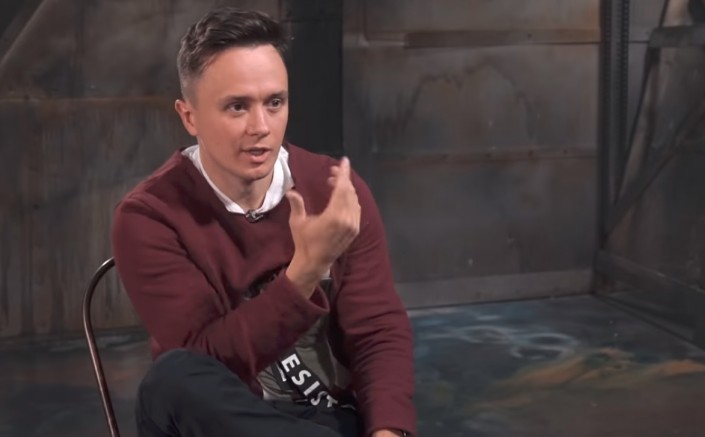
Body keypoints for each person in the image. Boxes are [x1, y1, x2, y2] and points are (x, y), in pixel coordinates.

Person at [111, 6, 415, 437]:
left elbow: (377, 331)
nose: (261, 127)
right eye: (237, 107)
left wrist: (388, 433)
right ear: (189, 116)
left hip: (326, 421)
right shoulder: (150, 216)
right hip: (220, 424)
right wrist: (305, 272)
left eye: (275, 102)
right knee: (172, 378)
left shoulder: (334, 191)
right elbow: (204, 366)